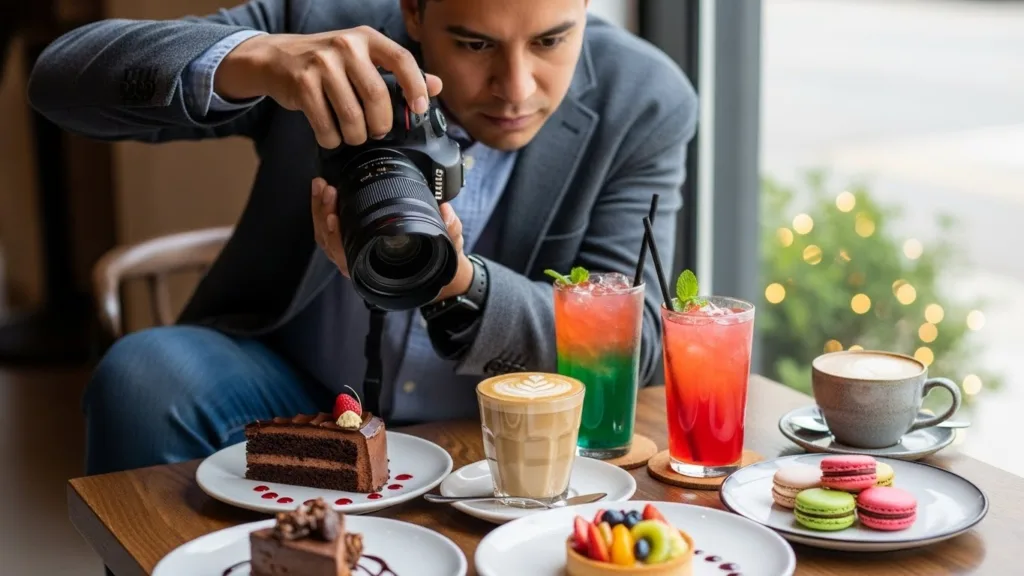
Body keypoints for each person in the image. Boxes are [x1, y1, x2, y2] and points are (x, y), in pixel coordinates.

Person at [28, 0, 697, 477]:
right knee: (143, 379)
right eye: (473, 44)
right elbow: (59, 81)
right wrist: (256, 59)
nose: (516, 88)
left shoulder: (643, 98)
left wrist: (457, 283)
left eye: (551, 41)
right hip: (303, 392)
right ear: (412, 12)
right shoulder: (324, 29)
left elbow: (630, 344)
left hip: (497, 430)